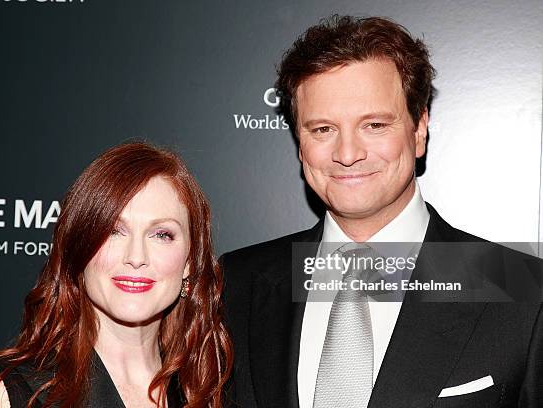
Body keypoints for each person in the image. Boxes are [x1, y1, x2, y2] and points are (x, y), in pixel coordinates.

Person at [221, 15, 543, 408]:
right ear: (299, 141)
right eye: (323, 129)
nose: (348, 154)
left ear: (419, 129)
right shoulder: (237, 283)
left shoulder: (519, 288)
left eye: (374, 124)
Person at [0, 142, 233, 408]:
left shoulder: (212, 390)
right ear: (80, 249)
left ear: (189, 261)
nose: (136, 257)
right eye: (113, 231)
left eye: (162, 234)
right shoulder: (6, 394)